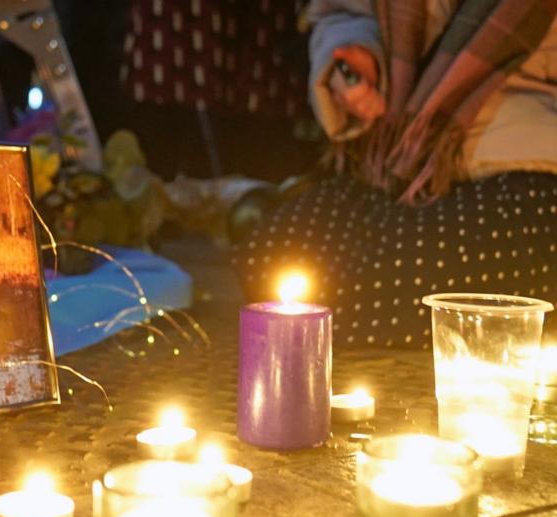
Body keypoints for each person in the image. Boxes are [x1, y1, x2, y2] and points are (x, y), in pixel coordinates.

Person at [234, 0, 557, 348]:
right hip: (400, 161)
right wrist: (361, 59)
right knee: (277, 252)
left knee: (406, 292)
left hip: (528, 168)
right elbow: (344, 11)